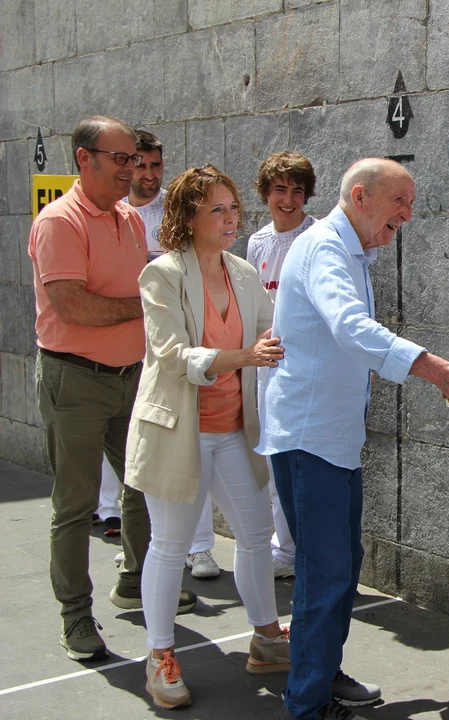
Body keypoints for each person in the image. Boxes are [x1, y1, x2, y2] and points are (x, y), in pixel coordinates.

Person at [257, 158, 449, 720]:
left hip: (332, 440)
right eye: (400, 202)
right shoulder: (324, 249)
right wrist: (436, 369)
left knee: (342, 563)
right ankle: (308, 702)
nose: (408, 215)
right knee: (325, 570)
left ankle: (320, 671)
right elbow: (351, 327)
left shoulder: (349, 252)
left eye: (410, 204)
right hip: (311, 440)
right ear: (361, 197)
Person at [28, 116, 196, 664]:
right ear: (86, 158)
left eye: (136, 159)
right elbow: (73, 306)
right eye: (121, 159)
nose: (132, 169)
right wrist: (148, 306)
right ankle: (76, 616)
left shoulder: (128, 218)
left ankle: (135, 582)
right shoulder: (59, 222)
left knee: (144, 486)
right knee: (75, 507)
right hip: (74, 381)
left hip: (133, 378)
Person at [126, 165, 291, 709]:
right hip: (179, 431)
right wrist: (244, 356)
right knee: (170, 545)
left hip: (233, 430)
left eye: (233, 207)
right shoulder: (161, 275)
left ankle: (266, 638)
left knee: (256, 534)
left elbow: (274, 330)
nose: (230, 218)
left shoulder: (242, 272)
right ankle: (159, 657)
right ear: (188, 217)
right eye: (216, 209)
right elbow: (173, 355)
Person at [100, 129, 223, 579]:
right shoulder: (115, 215)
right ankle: (144, 543)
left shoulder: (177, 209)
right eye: (140, 165)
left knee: (194, 441)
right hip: (130, 349)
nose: (149, 175)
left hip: (179, 348)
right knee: (143, 451)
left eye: (155, 165)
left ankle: (200, 547)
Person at [246, 150, 319, 580]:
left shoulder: (318, 237)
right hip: (266, 366)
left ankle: (308, 553)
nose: (288, 200)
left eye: (297, 191)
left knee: (306, 458)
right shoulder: (257, 242)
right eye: (279, 190)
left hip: (307, 366)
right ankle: (286, 548)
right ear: (265, 193)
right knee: (274, 456)